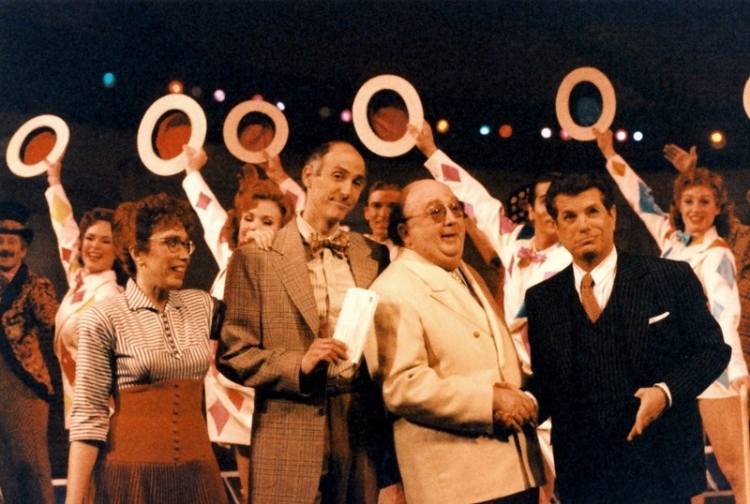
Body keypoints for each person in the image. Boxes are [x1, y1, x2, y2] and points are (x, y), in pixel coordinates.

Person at [525, 173, 730, 503]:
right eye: (570, 216)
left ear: (612, 216)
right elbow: (549, 382)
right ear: (558, 228)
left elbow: (712, 352)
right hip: (584, 477)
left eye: (592, 211)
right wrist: (525, 402)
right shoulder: (542, 300)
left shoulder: (670, 277)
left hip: (661, 474)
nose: (583, 225)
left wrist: (664, 393)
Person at [218, 141, 401, 503]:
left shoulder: (373, 255)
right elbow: (234, 353)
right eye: (338, 176)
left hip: (358, 428)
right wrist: (298, 364)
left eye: (356, 182)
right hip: (288, 424)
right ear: (308, 176)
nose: (346, 190)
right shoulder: (257, 255)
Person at [412, 120, 568, 502]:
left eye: (559, 201)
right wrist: (431, 151)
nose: (551, 208)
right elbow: (474, 199)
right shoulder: (513, 242)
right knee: (533, 484)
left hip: (557, 384)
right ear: (530, 208)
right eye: (544, 200)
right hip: (514, 383)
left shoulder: (574, 260)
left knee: (569, 484)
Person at [595, 129, 750, 504]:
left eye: (705, 201)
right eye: (689, 201)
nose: (696, 209)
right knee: (684, 477)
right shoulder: (671, 242)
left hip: (714, 372)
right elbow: (641, 200)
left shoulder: (718, 254)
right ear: (678, 205)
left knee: (738, 470)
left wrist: (736, 370)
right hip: (673, 375)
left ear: (717, 208)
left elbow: (724, 315)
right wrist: (610, 155)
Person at [370, 178, 543, 503]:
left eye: (455, 208)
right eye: (435, 212)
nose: (450, 219)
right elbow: (404, 387)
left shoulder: (467, 272)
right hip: (461, 484)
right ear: (405, 232)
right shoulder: (392, 290)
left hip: (514, 470)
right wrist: (489, 401)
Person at [65, 193, 227, 504]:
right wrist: (73, 501)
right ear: (138, 252)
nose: (184, 254)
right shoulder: (104, 317)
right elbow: (88, 414)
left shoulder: (201, 305)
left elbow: (251, 344)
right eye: (172, 243)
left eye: (187, 244)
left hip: (198, 477)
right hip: (131, 480)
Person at [182, 145, 295, 501]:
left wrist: (282, 179)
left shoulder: (285, 268)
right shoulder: (229, 254)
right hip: (226, 388)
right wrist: (191, 172)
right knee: (248, 488)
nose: (254, 227)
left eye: (267, 222)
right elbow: (207, 211)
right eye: (249, 218)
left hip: (264, 396)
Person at [45, 158, 124, 428]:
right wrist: (54, 181)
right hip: (75, 398)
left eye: (106, 241)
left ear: (118, 250)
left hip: (104, 405)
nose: (94, 246)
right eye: (90, 238)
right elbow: (65, 231)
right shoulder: (79, 280)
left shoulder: (112, 295)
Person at [0, 200, 58, 504]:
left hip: (24, 386)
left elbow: (53, 321)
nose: (5, 247)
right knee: (7, 471)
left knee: (30, 465)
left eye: (12, 242)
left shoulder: (36, 285)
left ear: (23, 250)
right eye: (0, 241)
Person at [363, 180, 401, 259]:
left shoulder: (410, 254)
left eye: (392, 207)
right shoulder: (352, 247)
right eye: (376, 206)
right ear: (367, 212)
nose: (383, 214)